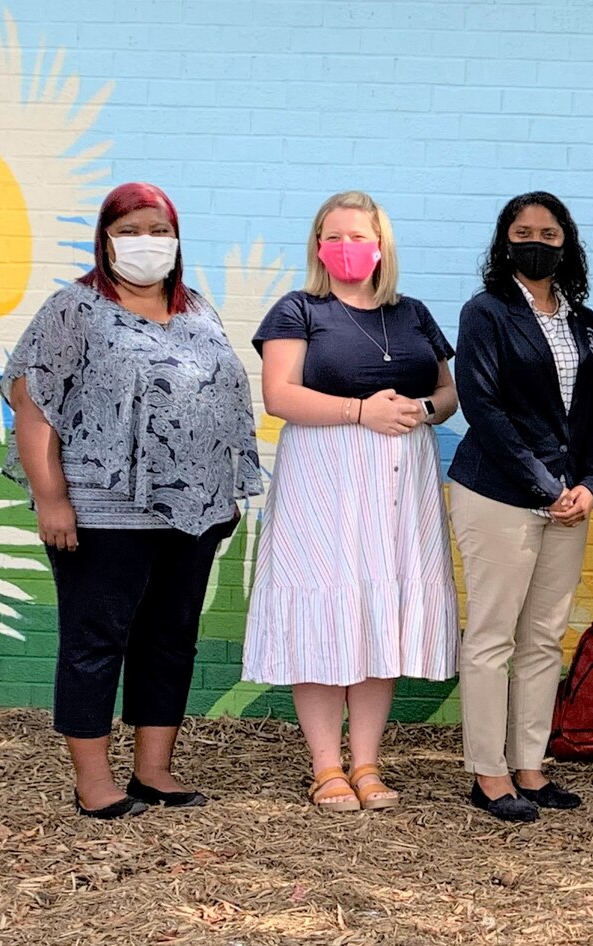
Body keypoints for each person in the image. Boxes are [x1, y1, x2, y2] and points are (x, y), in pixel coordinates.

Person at [2, 182, 260, 818]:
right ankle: (93, 781)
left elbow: (222, 401)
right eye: (131, 231)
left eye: (159, 231)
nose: (147, 243)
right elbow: (32, 403)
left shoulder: (197, 308)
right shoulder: (74, 309)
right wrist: (51, 498)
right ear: (105, 238)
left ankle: (154, 771)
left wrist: (224, 492)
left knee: (171, 639)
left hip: (195, 510)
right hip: (101, 508)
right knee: (97, 639)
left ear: (176, 240)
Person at [243, 191, 461, 812]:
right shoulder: (298, 309)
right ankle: (325, 767)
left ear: (382, 245)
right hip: (324, 476)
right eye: (333, 236)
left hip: (400, 479)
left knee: (378, 611)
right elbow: (280, 395)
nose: (346, 248)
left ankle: (366, 763)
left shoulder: (413, 312)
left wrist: (422, 410)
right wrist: (359, 411)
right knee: (324, 609)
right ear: (317, 246)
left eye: (358, 236)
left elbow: (448, 393)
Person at [450, 192, 593, 823]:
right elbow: (482, 407)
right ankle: (487, 774)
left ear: (565, 242)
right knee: (492, 637)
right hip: (499, 491)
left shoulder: (583, 318)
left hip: (571, 498)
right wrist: (548, 486)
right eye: (524, 232)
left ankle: (530, 767)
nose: (536, 242)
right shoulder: (484, 312)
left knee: (544, 638)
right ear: (504, 240)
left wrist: (590, 485)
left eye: (548, 233)